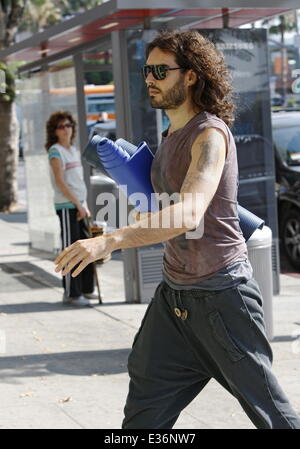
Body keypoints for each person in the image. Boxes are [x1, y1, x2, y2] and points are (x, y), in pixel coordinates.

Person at [54, 31, 300, 429]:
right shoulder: (169, 136)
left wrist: (111, 241)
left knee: (272, 415)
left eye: (160, 70)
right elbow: (166, 209)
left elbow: (188, 213)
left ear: (190, 76)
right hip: (175, 298)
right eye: (146, 70)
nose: (149, 78)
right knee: (142, 414)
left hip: (223, 296)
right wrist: (132, 220)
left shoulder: (210, 135)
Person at [46, 110, 97, 306]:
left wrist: (83, 205)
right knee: (70, 250)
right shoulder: (56, 151)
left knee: (85, 248)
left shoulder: (73, 150)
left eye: (68, 125)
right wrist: (77, 204)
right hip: (68, 207)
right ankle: (71, 293)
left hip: (79, 206)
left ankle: (85, 289)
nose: (66, 129)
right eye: (61, 127)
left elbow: (76, 181)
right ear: (55, 131)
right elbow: (60, 181)